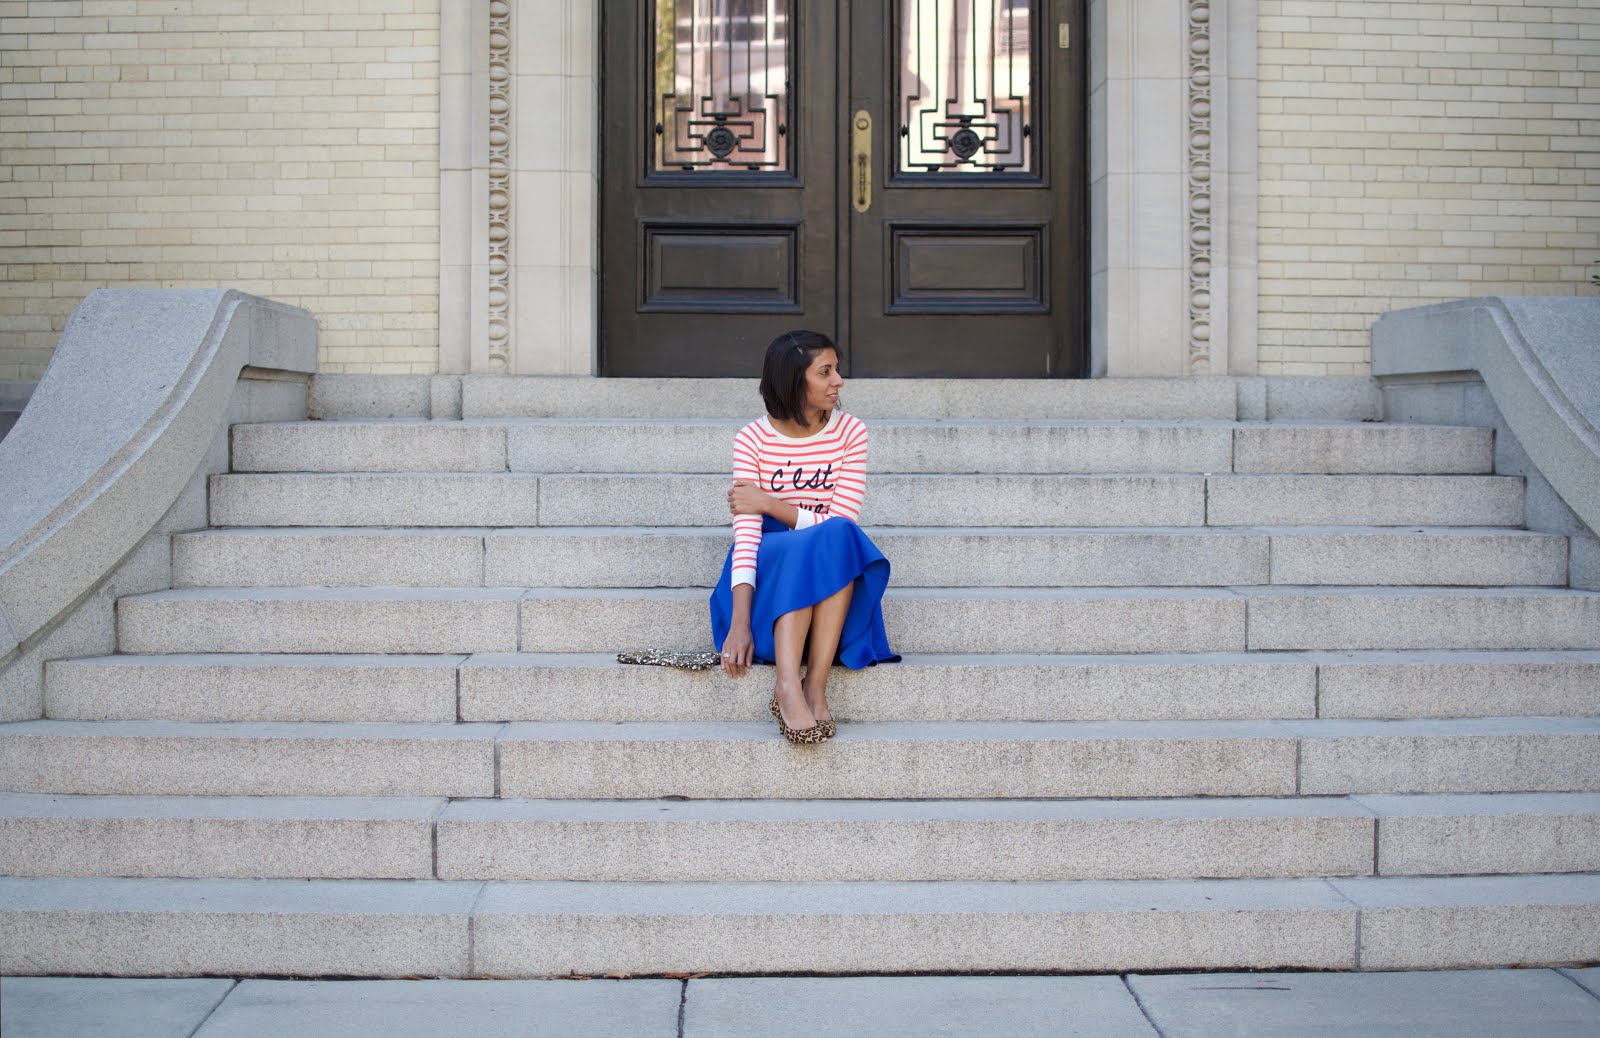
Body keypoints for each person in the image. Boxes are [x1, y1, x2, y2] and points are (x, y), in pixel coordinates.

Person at [708, 330, 899, 744]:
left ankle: (815, 684)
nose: (839, 381)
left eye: (836, 369)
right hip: (771, 570)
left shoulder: (851, 432)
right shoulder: (752, 439)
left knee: (836, 538)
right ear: (794, 380)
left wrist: (770, 504)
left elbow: (842, 521)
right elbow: (747, 538)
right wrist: (739, 624)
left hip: (829, 559)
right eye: (825, 372)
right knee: (811, 545)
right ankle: (787, 685)